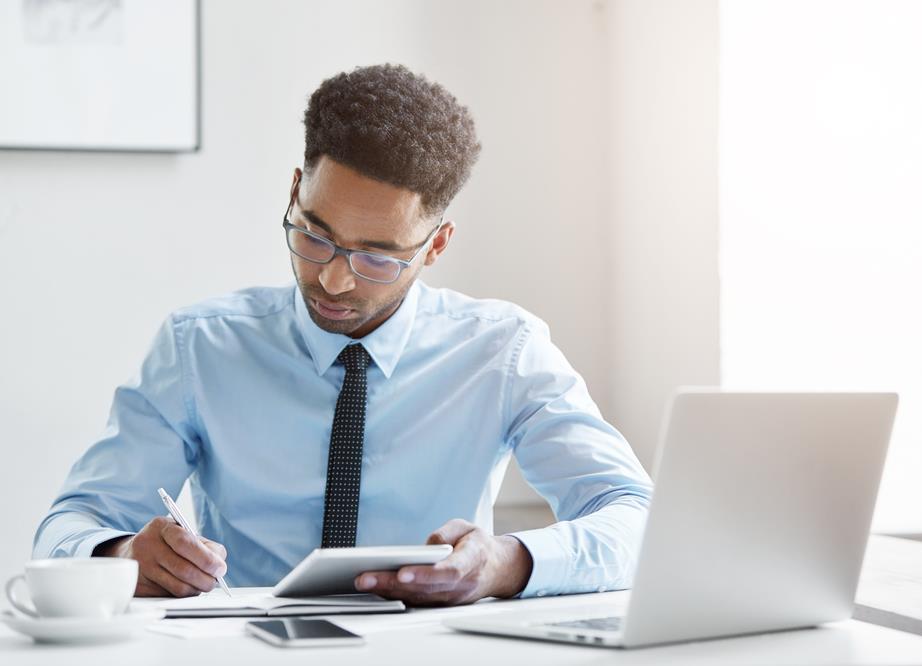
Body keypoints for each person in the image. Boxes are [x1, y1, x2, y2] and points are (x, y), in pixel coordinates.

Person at [34, 64, 652, 606]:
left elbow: (640, 519)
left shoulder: (503, 350)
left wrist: (505, 564)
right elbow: (68, 526)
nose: (331, 279)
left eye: (378, 257)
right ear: (295, 191)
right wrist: (119, 556)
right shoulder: (200, 348)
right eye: (314, 235)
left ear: (435, 245)